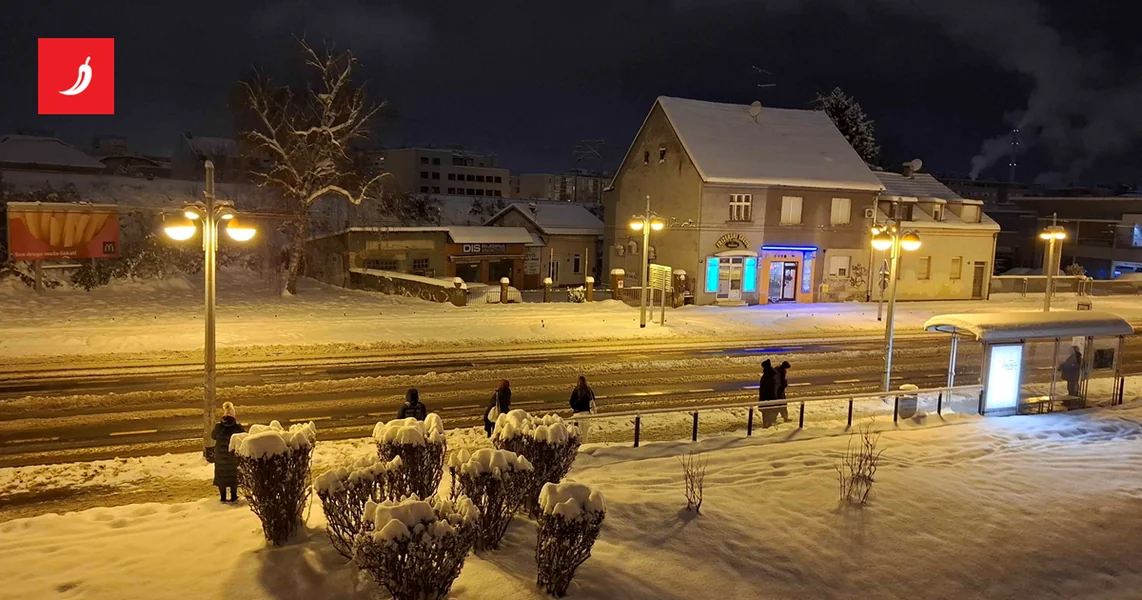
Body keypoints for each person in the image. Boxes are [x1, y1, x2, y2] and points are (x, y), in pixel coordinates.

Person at [211, 402, 245, 503]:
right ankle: (234, 496)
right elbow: (244, 436)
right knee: (233, 475)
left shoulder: (219, 426)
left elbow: (213, 436)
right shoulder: (237, 427)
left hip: (220, 457)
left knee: (222, 476)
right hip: (232, 456)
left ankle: (223, 497)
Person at [569, 376, 597, 442]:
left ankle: (579, 447)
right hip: (586, 413)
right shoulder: (588, 390)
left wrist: (576, 407)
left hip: (577, 414)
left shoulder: (575, 390)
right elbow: (592, 400)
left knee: (578, 433)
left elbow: (571, 402)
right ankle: (585, 445)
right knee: (585, 433)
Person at [759, 359, 779, 428]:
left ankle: (767, 425)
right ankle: (768, 424)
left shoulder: (766, 376)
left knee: (766, 412)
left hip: (766, 398)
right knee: (769, 411)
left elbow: (763, 390)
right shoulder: (772, 375)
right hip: (771, 397)